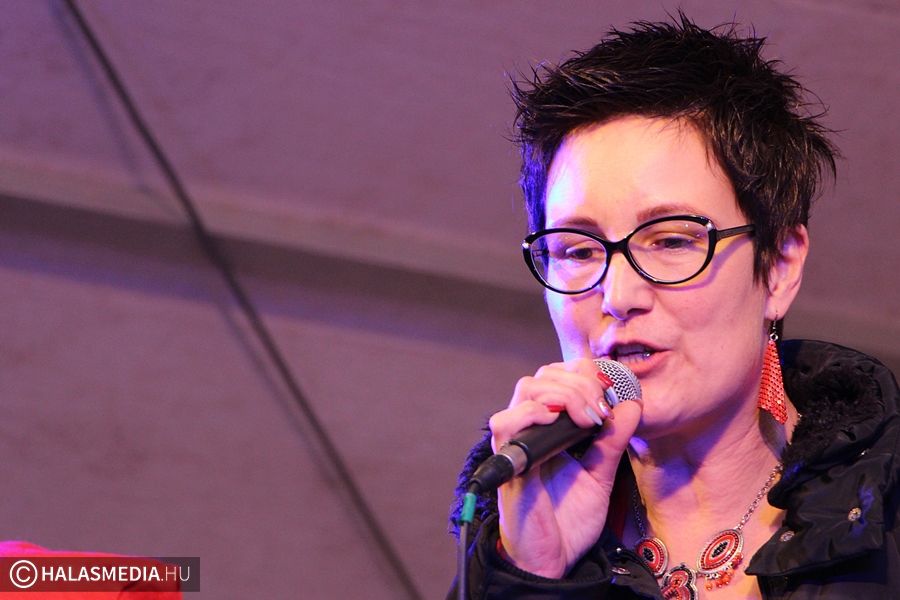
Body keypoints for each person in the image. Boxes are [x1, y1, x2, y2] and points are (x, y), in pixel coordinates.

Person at [448, 14, 900, 600]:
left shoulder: (884, 518)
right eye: (578, 251)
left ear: (780, 266)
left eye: (670, 241)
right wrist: (532, 578)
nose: (618, 297)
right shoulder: (515, 542)